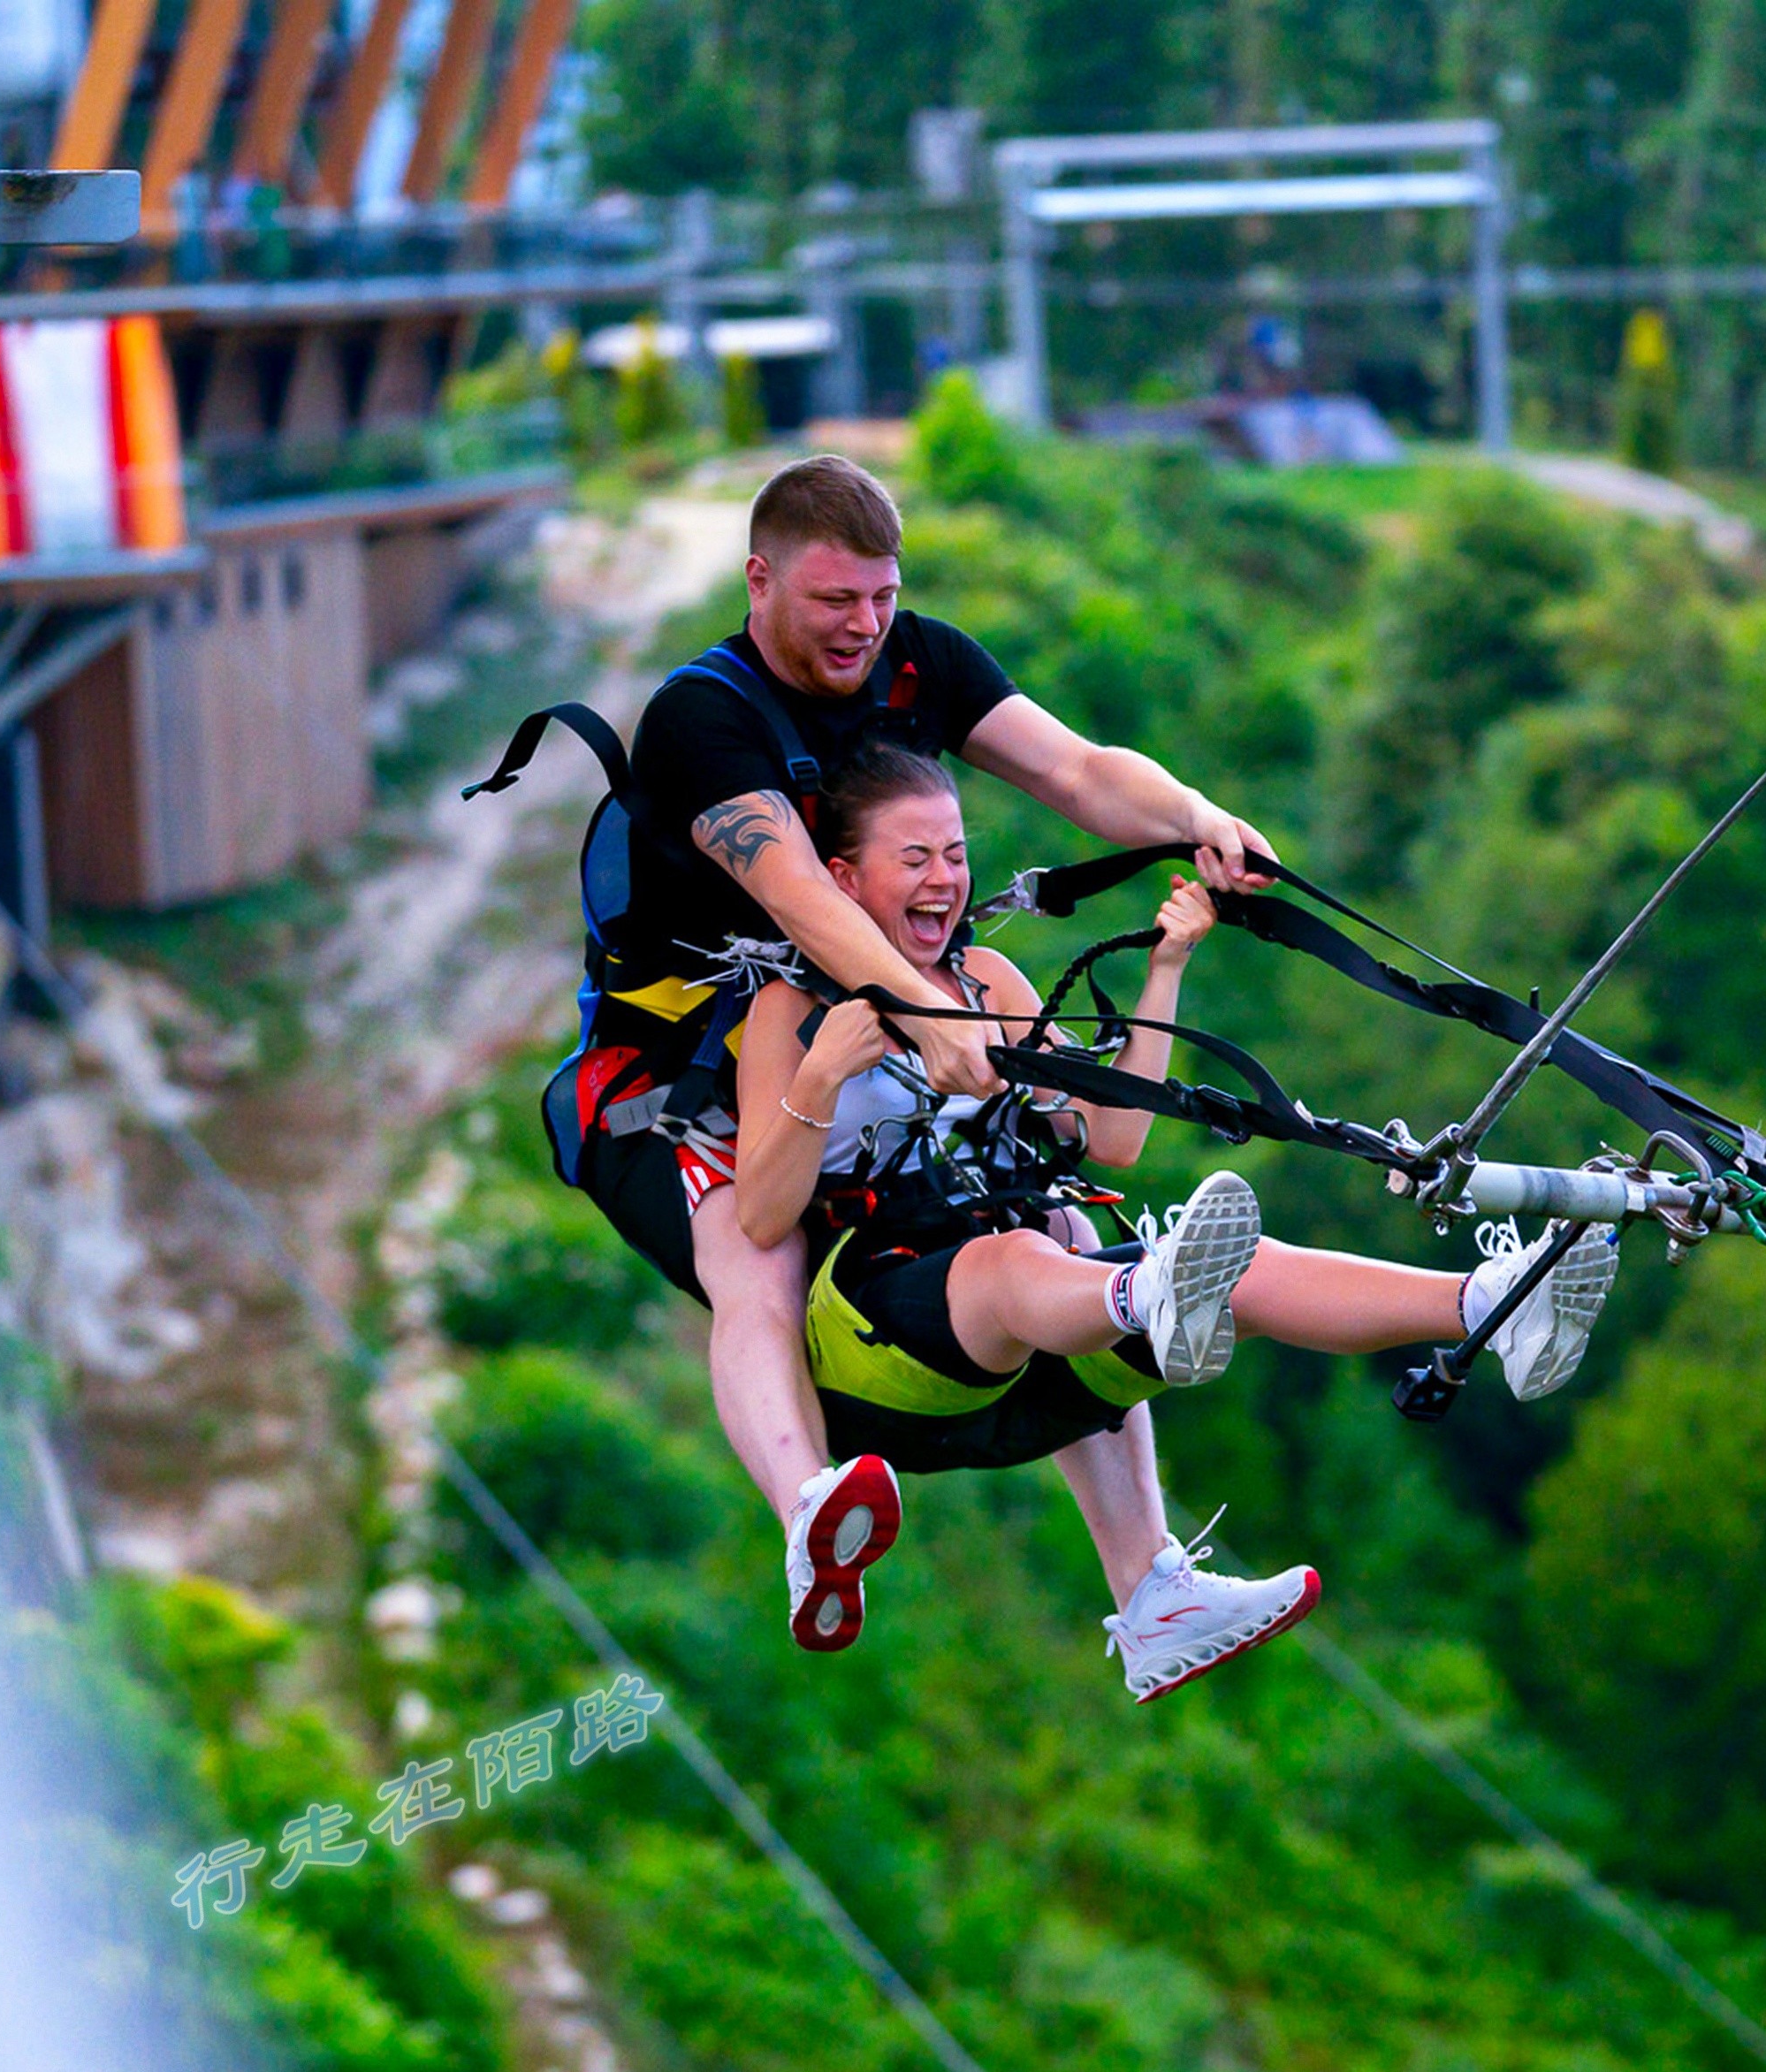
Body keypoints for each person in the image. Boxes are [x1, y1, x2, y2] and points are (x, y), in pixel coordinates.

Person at [560, 453, 1279, 1648]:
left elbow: (1078, 771)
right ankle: (805, 1507)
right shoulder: (704, 717)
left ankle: (1152, 1588)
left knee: (1044, 1214)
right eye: (836, 600)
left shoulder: (918, 659)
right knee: (758, 1256)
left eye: (882, 596)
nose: (864, 625)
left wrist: (1195, 816)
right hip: (681, 1059)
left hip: (879, 1023)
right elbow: (802, 898)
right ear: (760, 579)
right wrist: (933, 1014)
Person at [725, 743, 1618, 1702]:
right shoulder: (793, 1010)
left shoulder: (987, 982)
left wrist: (1165, 969)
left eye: (953, 853)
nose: (943, 878)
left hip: (1033, 1318)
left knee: (1227, 1265)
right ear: (844, 880)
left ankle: (1490, 1304)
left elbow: (1110, 1135)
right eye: (914, 859)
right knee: (1024, 1255)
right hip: (879, 1329)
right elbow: (762, 1214)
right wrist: (820, 1079)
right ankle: (1141, 1292)